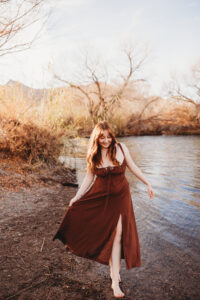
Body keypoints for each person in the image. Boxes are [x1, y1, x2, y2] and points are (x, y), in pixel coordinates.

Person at [53, 121, 154, 298]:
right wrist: (77, 197)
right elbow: (88, 178)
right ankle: (114, 273)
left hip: (121, 198)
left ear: (112, 136)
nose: (106, 141)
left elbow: (133, 166)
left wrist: (147, 183)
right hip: (100, 199)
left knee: (118, 235)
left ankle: (115, 280)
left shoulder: (121, 148)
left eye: (109, 137)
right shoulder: (94, 154)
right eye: (102, 138)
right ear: (96, 138)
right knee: (110, 235)